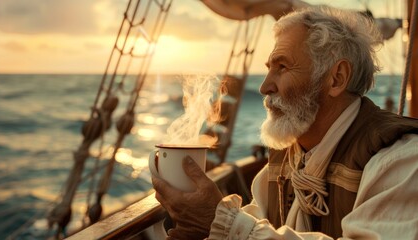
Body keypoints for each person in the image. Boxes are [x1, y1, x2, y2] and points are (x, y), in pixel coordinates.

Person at [152, 6, 418, 240]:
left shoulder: (400, 161)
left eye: (282, 67)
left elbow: (242, 231)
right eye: (268, 68)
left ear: (336, 78)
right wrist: (204, 230)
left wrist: (221, 222)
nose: (265, 86)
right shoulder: (281, 163)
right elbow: (254, 227)